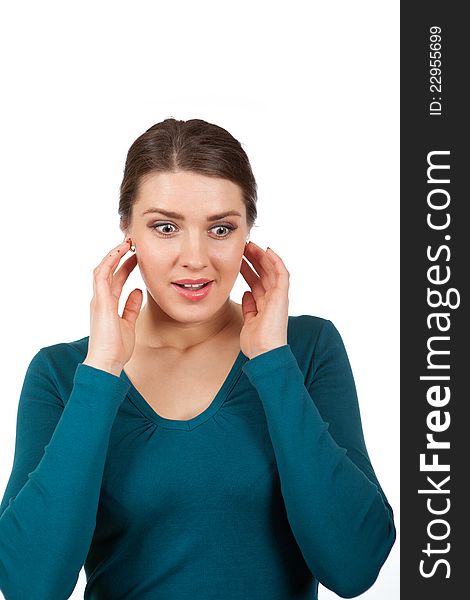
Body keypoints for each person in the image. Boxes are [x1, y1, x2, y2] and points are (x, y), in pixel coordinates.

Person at [0, 118, 396, 599]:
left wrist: (272, 362)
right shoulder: (64, 376)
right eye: (165, 227)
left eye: (221, 228)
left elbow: (354, 565)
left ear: (248, 232)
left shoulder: (305, 350)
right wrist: (101, 372)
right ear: (127, 231)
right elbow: (30, 586)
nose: (195, 257)